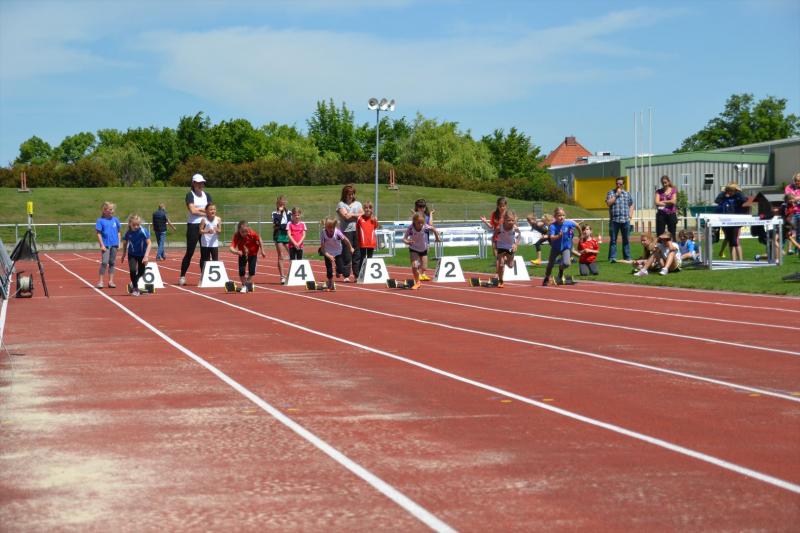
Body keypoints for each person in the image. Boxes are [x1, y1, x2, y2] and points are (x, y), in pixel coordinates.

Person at [179, 174, 213, 286]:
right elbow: (193, 211)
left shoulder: (207, 195)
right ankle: (182, 276)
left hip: (205, 225)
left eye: (202, 182)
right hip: (193, 226)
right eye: (198, 183)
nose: (200, 185)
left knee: (205, 253)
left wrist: (201, 210)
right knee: (190, 252)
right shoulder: (190, 195)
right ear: (193, 183)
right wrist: (205, 211)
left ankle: (203, 277)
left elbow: (211, 210)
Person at [403, 212, 441, 290]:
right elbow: (404, 238)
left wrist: (437, 238)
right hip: (414, 248)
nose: (420, 224)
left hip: (423, 249)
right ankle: (417, 282)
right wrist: (407, 242)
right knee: (414, 266)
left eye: (422, 222)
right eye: (418, 223)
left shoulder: (425, 226)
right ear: (414, 221)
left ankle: (419, 264)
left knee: (424, 268)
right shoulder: (411, 228)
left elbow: (434, 229)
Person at [542, 207, 578, 286]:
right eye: (559, 215)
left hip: (565, 247)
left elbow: (577, 225)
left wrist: (581, 235)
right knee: (550, 264)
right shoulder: (552, 226)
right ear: (555, 217)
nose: (561, 217)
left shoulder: (568, 223)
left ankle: (560, 270)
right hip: (555, 248)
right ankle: (547, 277)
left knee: (567, 263)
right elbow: (551, 237)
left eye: (563, 215)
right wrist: (558, 236)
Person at [336, 185, 364, 282]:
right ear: (345, 194)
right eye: (349, 194)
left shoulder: (358, 204)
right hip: (345, 231)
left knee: (357, 254)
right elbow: (345, 217)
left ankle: (357, 275)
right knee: (347, 253)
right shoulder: (341, 204)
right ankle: (346, 275)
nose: (351, 196)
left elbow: (362, 215)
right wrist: (356, 216)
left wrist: (352, 214)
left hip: (357, 230)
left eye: (352, 194)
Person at [119, 214, 152, 296]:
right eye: (134, 225)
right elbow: (125, 243)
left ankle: (134, 282)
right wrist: (123, 254)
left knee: (141, 272)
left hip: (142, 254)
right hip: (132, 254)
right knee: (133, 270)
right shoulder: (128, 232)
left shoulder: (143, 231)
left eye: (138, 225)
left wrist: (146, 256)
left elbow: (149, 243)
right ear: (130, 224)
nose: (136, 227)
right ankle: (135, 288)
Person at [714, 182, 747, 261]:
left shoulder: (737, 198)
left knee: (736, 241)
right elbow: (717, 200)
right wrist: (723, 191)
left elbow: (744, 199)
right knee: (730, 241)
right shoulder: (724, 198)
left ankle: (741, 261)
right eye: (728, 190)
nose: (730, 192)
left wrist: (738, 191)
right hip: (726, 222)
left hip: (736, 222)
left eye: (732, 190)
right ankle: (733, 261)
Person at [229, 220, 266, 292]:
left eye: (246, 231)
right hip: (242, 254)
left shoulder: (252, 233)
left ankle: (246, 284)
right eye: (242, 232)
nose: (244, 233)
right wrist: (236, 252)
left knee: (252, 271)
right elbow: (231, 248)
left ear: (248, 229)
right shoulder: (237, 235)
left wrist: (262, 250)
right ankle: (244, 285)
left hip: (253, 254)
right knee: (241, 271)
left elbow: (260, 239)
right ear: (239, 230)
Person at [320, 217, 354, 291]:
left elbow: (346, 240)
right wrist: (329, 256)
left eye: (332, 227)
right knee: (329, 269)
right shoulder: (323, 233)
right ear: (326, 227)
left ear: (334, 226)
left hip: (338, 252)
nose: (331, 230)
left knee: (341, 270)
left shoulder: (337, 232)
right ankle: (330, 283)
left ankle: (337, 270)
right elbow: (322, 248)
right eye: (329, 228)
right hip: (327, 252)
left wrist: (350, 248)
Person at [606, 177, 634, 262]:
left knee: (626, 239)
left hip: (625, 220)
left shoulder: (627, 194)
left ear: (623, 185)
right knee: (613, 240)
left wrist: (630, 214)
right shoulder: (611, 192)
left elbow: (631, 204)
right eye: (617, 183)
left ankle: (627, 257)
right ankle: (612, 257)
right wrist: (616, 195)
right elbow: (608, 203)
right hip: (614, 220)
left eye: (620, 184)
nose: (618, 185)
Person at [95, 201, 121, 289]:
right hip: (105, 245)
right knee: (104, 262)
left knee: (112, 262)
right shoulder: (100, 221)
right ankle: (100, 281)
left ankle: (111, 281)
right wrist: (102, 245)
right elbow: (98, 233)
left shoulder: (116, 220)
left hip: (114, 244)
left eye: (112, 209)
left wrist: (119, 243)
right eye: (110, 209)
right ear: (104, 210)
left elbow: (118, 232)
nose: (112, 211)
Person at [495, 211, 521, 288]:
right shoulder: (500, 227)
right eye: (509, 220)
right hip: (501, 246)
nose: (511, 222)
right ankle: (501, 281)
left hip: (510, 247)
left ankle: (506, 260)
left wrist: (516, 244)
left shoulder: (515, 228)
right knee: (501, 264)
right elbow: (494, 236)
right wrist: (495, 246)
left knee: (510, 265)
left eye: (512, 220)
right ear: (504, 220)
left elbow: (519, 235)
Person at [411, 199, 435, 280]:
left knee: (424, 257)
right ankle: (418, 273)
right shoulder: (415, 217)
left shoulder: (427, 216)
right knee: (417, 257)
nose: (422, 208)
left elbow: (430, 225)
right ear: (417, 207)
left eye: (423, 207)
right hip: (417, 240)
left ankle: (423, 273)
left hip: (425, 239)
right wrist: (415, 214)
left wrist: (431, 214)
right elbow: (414, 225)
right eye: (420, 207)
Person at [356, 201, 379, 276]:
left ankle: (368, 274)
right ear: (363, 209)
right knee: (362, 258)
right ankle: (360, 275)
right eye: (366, 208)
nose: (368, 209)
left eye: (369, 208)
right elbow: (357, 230)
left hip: (371, 243)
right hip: (362, 243)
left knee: (369, 259)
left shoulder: (374, 219)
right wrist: (358, 240)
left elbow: (375, 228)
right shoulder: (360, 218)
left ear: (372, 209)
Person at [272, 195, 291, 284]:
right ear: (277, 204)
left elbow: (289, 223)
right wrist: (279, 212)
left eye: (283, 203)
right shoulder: (274, 213)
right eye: (280, 203)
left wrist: (281, 226)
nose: (282, 205)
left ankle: (291, 274)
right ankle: (282, 277)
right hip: (279, 235)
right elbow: (277, 223)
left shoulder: (289, 213)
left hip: (287, 234)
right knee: (281, 255)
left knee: (292, 254)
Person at [199, 203, 221, 275]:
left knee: (215, 260)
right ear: (206, 211)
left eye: (214, 209)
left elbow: (220, 231)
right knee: (205, 260)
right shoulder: (204, 220)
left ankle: (214, 275)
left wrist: (217, 230)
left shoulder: (218, 219)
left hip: (214, 243)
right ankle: (204, 274)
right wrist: (207, 231)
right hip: (205, 243)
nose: (213, 211)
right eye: (211, 209)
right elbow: (200, 231)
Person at [655, 175, 678, 239]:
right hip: (661, 215)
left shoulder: (673, 190)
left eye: (665, 182)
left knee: (672, 233)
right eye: (662, 183)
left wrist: (663, 201)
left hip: (671, 214)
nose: (664, 184)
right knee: (660, 234)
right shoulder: (658, 191)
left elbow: (674, 201)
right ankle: (660, 245)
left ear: (668, 182)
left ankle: (672, 244)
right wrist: (668, 203)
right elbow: (656, 202)